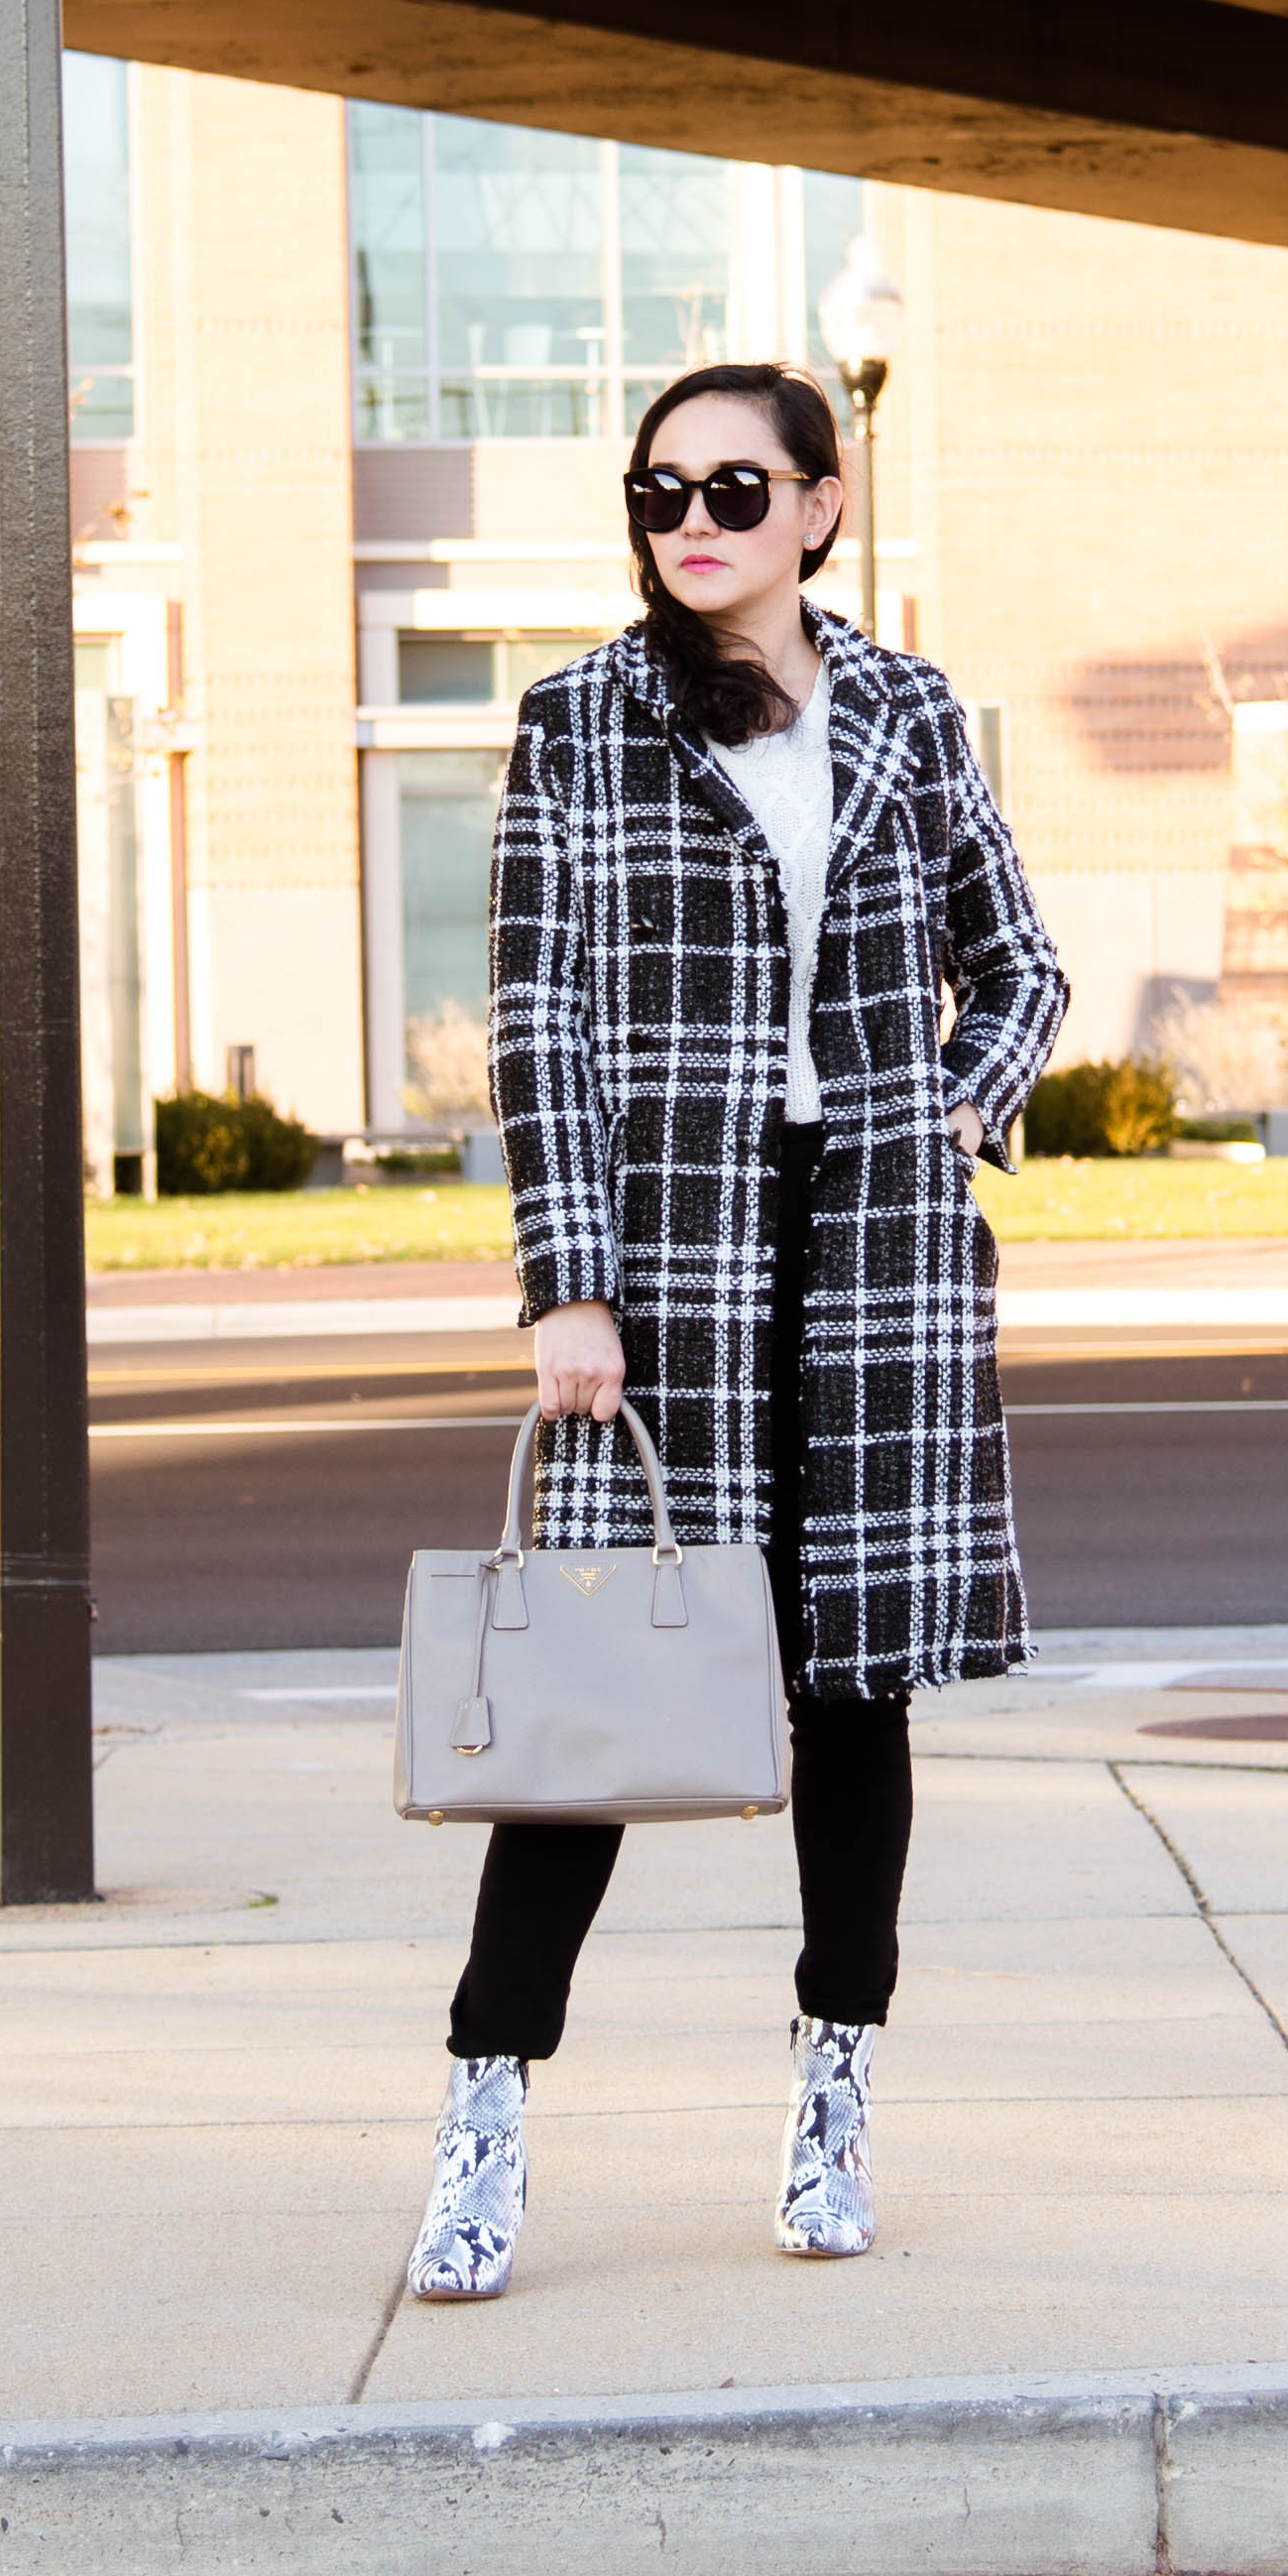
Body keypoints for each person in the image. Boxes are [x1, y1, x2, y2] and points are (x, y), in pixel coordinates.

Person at [406, 360, 1068, 2300]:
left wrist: (957, 1103)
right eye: (657, 485)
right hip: (666, 1272)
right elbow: (537, 1023)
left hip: (876, 1261)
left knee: (853, 1699)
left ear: (819, 504)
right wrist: (566, 1285)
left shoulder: (910, 711)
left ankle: (835, 2091)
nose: (690, 515)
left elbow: (1018, 961)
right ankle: (483, 2111)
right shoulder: (575, 722)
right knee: (592, 1723)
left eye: (730, 482)